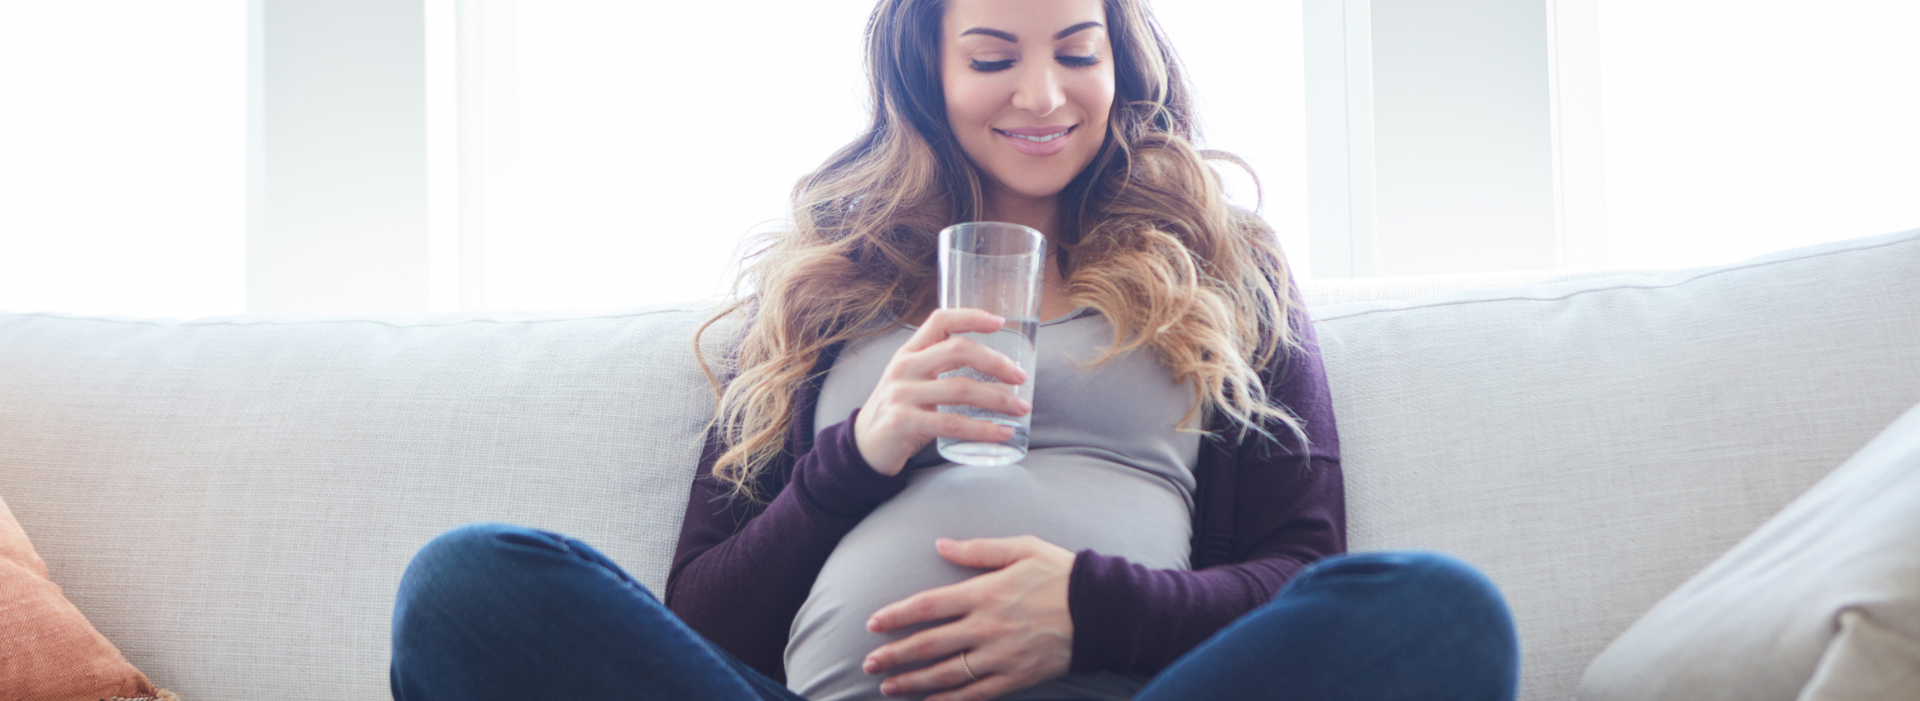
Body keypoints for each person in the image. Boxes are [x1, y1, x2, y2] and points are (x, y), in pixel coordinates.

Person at [388, 0, 1520, 699]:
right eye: (993, 57)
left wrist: (1089, 604)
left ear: (1120, 60)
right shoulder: (823, 288)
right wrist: (860, 452)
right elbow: (700, 620)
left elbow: (1301, 571)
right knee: (468, 582)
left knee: (1435, 606)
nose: (1043, 93)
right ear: (926, 74)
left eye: (1078, 50)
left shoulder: (1226, 267)